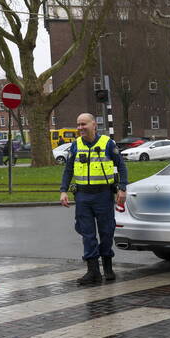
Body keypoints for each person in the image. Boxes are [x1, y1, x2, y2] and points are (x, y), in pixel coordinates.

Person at [59, 113, 128, 284]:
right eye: (78, 124)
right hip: (83, 196)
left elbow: (121, 166)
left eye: (83, 124)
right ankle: (93, 271)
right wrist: (63, 191)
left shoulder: (107, 144)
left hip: (103, 195)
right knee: (87, 234)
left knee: (106, 232)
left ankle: (108, 267)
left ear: (94, 125)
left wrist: (122, 188)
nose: (80, 128)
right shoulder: (75, 146)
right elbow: (68, 170)